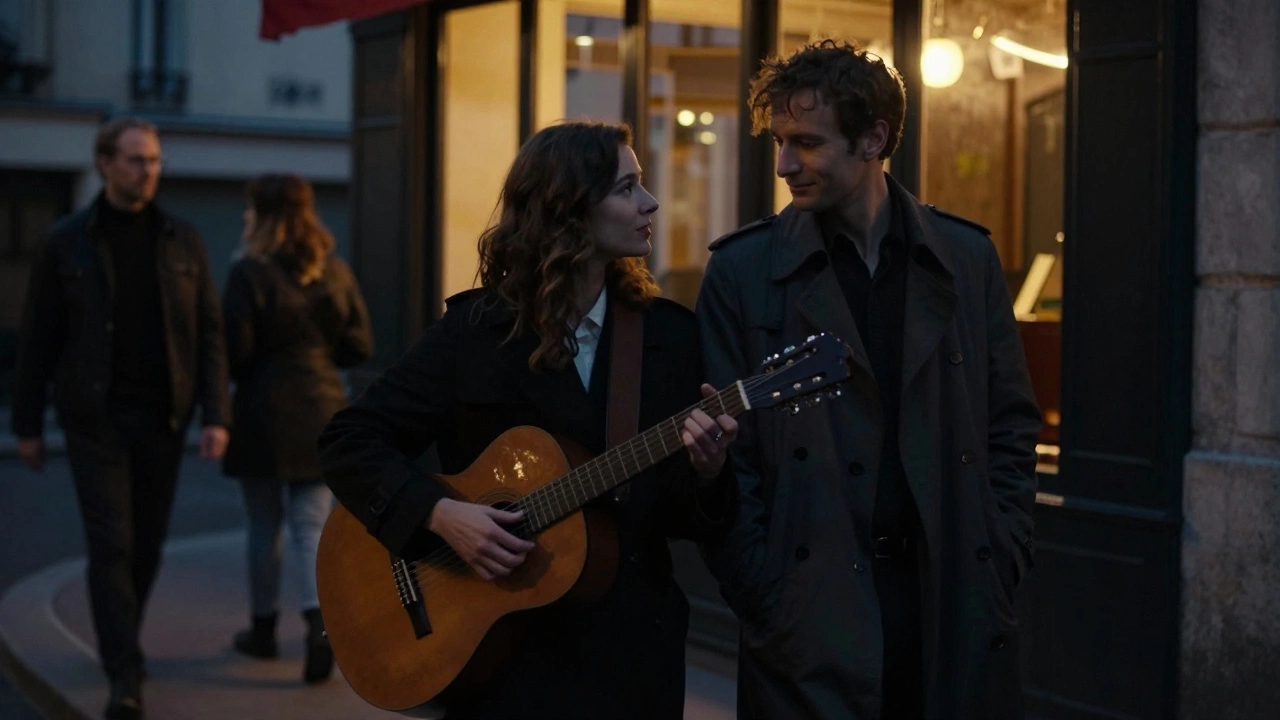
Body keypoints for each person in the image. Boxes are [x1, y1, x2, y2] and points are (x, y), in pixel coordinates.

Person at [318, 120, 738, 720]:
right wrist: (441, 515)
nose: (650, 203)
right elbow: (348, 441)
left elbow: (680, 517)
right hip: (503, 663)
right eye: (626, 188)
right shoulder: (474, 333)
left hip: (629, 657)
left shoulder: (668, 337)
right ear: (568, 208)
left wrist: (708, 472)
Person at [695, 39, 1042, 719]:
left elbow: (1010, 424)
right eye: (779, 141)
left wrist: (1000, 560)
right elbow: (729, 461)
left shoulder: (965, 258)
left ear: (873, 140)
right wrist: (765, 590)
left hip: (950, 602)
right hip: (810, 612)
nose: (783, 164)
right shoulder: (742, 272)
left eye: (806, 143)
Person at [11, 117, 231, 720]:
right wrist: (26, 423)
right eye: (136, 160)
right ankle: (124, 671)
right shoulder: (67, 241)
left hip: (164, 418)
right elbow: (39, 335)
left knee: (147, 545)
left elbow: (209, 331)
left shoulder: (182, 239)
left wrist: (217, 413)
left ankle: (121, 641)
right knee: (111, 544)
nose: (148, 170)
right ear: (105, 164)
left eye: (155, 159)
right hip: (95, 418)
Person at [220, 173, 373, 683]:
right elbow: (359, 346)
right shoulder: (335, 270)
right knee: (312, 526)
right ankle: (318, 631)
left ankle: (263, 629)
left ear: (260, 214)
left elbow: (236, 351)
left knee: (263, 525)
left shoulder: (248, 272)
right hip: (321, 408)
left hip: (262, 412)